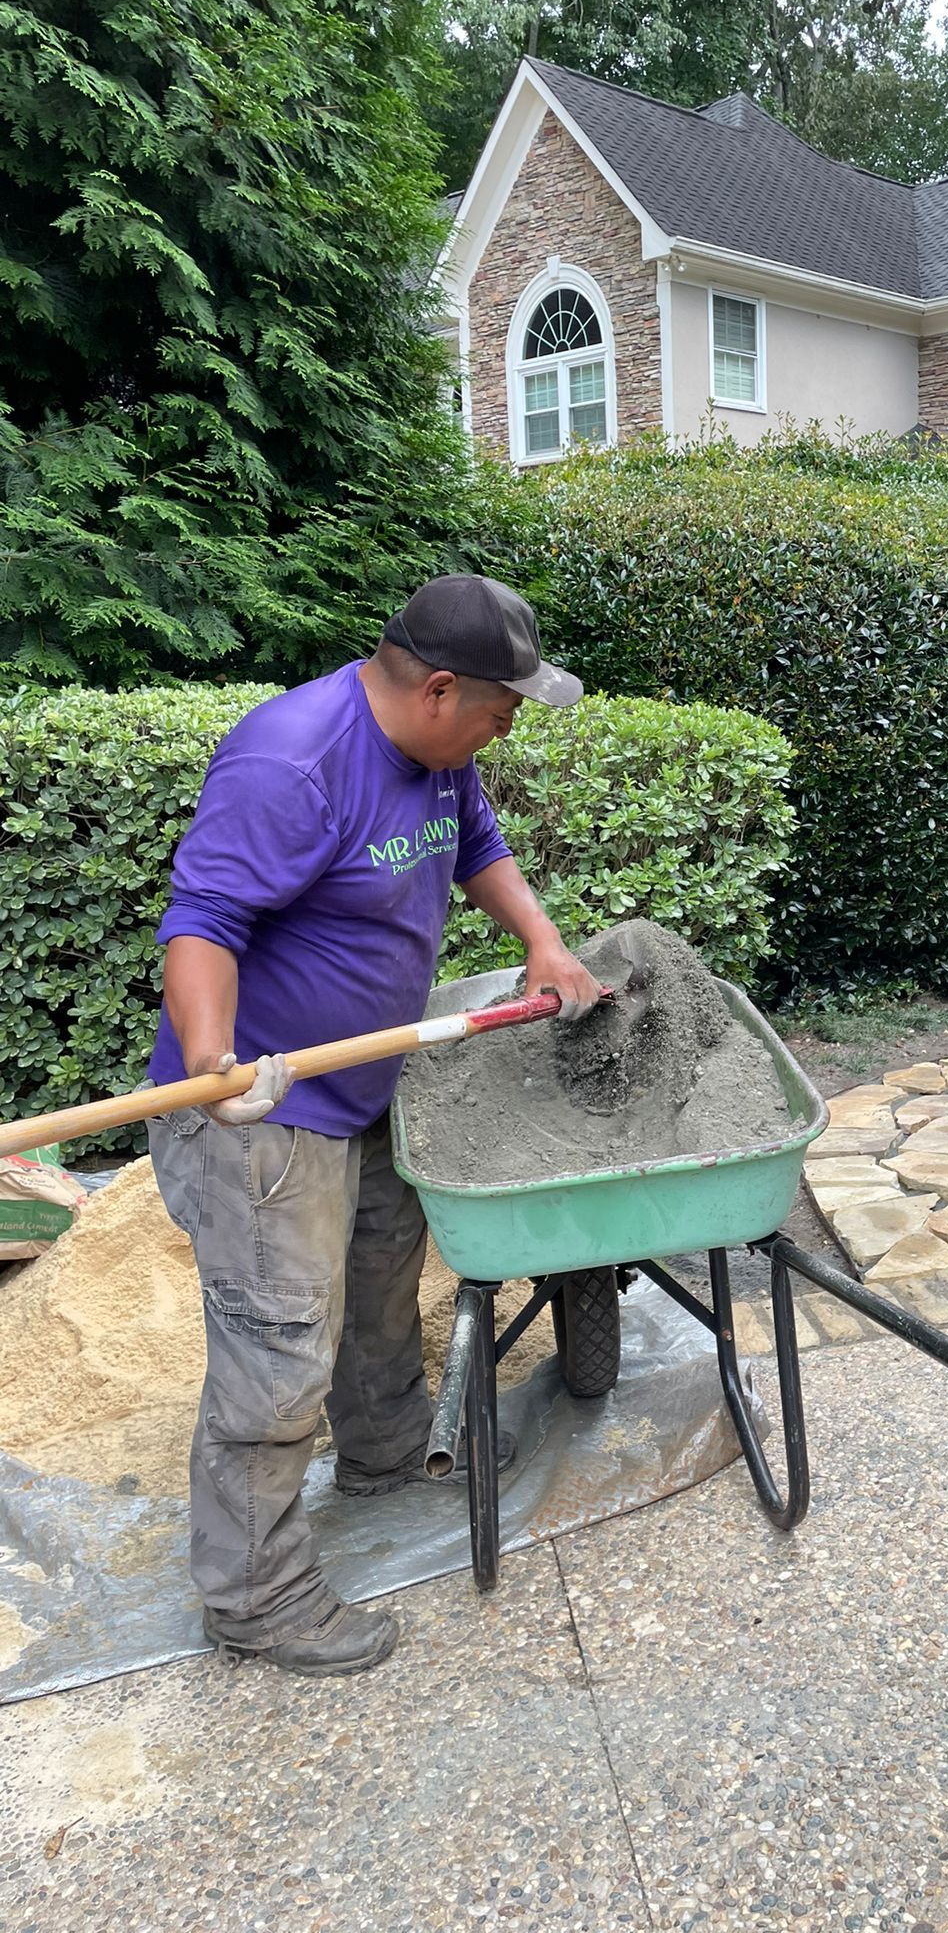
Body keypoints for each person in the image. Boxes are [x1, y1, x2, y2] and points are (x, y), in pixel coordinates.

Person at [146, 576, 601, 1677]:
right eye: (504, 704)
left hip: (366, 1086)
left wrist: (541, 938)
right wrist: (214, 1064)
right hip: (262, 1110)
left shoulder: (444, 757)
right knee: (279, 1346)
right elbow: (203, 921)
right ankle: (256, 1594)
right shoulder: (292, 758)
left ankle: (388, 1450)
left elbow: (476, 839)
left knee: (382, 1275)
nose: (512, 721)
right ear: (440, 687)